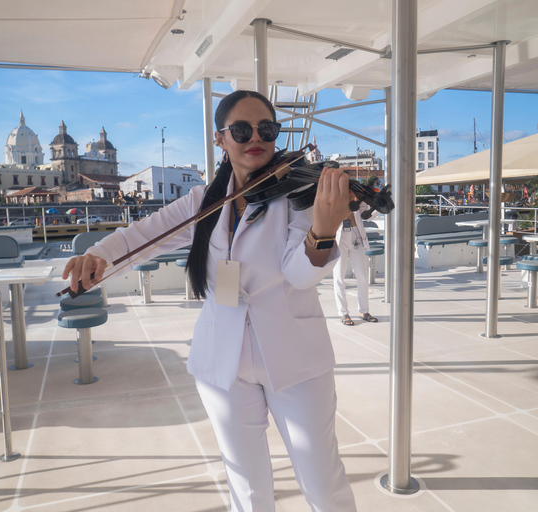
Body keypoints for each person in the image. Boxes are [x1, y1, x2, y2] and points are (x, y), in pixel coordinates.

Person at [63, 90, 357, 511]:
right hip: (223, 360)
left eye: (267, 129)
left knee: (323, 482)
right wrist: (101, 255)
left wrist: (324, 229)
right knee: (247, 487)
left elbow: (299, 274)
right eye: (241, 130)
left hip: (294, 361)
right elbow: (144, 235)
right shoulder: (204, 200)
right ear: (221, 139)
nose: (255, 137)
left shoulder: (299, 196)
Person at [333, 196, 378, 326]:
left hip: (356, 235)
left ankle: (364, 311)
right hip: (339, 237)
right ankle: (343, 313)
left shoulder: (358, 196)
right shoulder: (334, 195)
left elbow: (367, 216)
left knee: (363, 277)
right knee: (339, 278)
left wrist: (378, 208)